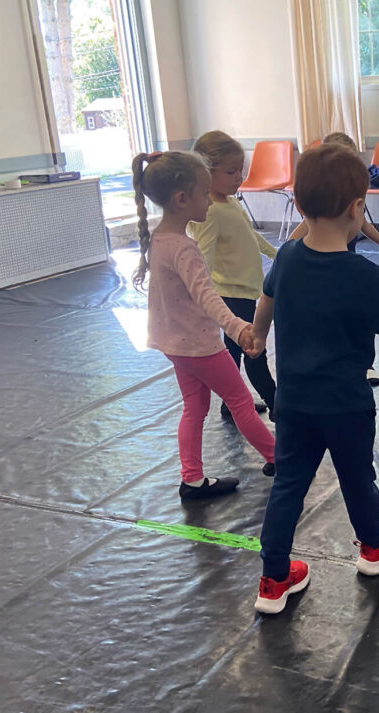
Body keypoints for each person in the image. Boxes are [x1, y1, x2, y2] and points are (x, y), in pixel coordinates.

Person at [251, 144, 379, 615]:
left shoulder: (287, 257)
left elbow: (265, 302)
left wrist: (256, 335)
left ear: (298, 201)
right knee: (356, 477)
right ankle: (374, 545)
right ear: (358, 209)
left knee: (289, 483)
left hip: (293, 403)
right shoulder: (364, 275)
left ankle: (273, 578)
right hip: (347, 406)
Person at [131, 151, 276, 500]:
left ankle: (192, 478)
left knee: (194, 407)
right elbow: (207, 298)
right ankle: (279, 457)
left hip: (175, 346)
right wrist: (239, 328)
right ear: (182, 199)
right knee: (240, 400)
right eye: (204, 194)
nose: (210, 202)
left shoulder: (159, 241)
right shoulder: (183, 248)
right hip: (198, 346)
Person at [288, 131, 379, 387]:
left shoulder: (353, 205)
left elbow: (362, 223)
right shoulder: (324, 209)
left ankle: (366, 363)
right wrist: (288, 253)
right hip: (323, 273)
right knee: (331, 317)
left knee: (361, 314)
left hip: (348, 267)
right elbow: (301, 231)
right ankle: (327, 357)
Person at [189, 130, 278, 421]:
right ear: (206, 173)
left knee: (234, 353)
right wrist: (203, 297)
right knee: (254, 349)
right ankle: (276, 403)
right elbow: (202, 257)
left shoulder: (230, 202)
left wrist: (280, 256)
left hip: (245, 292)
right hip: (230, 296)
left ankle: (232, 403)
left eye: (241, 170)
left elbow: (251, 237)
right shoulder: (210, 212)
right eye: (231, 171)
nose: (239, 177)